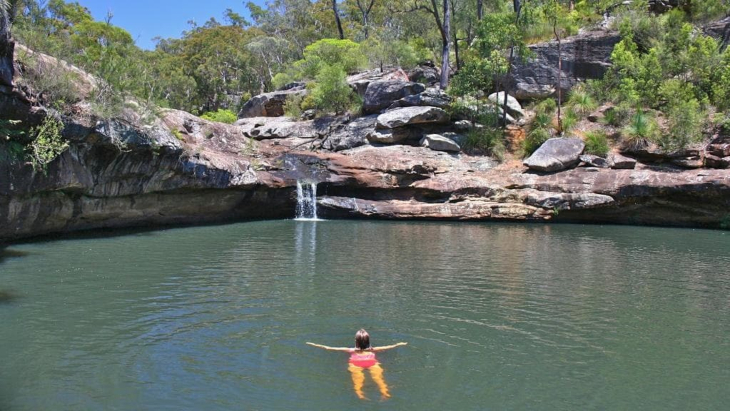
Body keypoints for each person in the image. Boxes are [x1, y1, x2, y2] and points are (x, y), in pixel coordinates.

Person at [306, 329, 408, 400]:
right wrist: (399, 344)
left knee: (358, 381)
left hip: (355, 364)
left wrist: (314, 344)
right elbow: (389, 346)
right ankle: (385, 392)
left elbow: (329, 348)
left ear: (356, 341)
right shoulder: (373, 349)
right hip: (372, 362)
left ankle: (360, 394)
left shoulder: (351, 350)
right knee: (380, 379)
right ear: (368, 341)